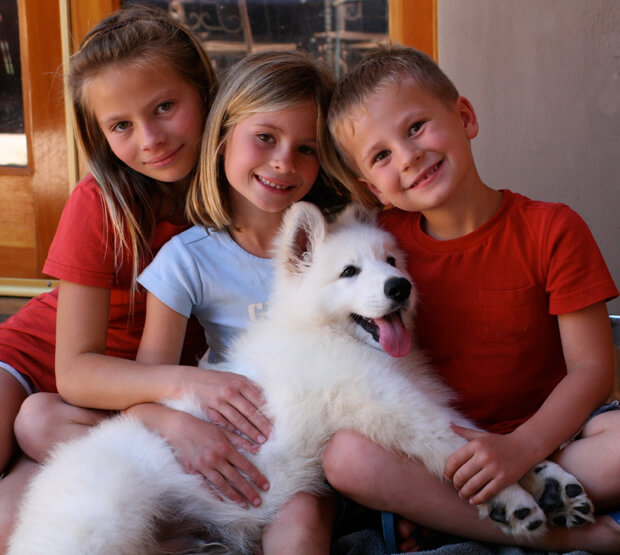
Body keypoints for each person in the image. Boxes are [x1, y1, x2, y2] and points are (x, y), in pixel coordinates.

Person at [321, 44, 620, 553]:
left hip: (556, 434)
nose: (409, 155)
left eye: (415, 128)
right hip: (443, 452)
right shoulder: (381, 248)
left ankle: (451, 516)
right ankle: (559, 535)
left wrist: (521, 448)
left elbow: (592, 369)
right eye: (382, 155)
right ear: (373, 187)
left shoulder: (552, 228)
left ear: (464, 116)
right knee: (346, 459)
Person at [0, 4, 216, 549]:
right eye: (121, 125)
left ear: (205, 91)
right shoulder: (101, 202)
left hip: (109, 404)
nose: (150, 138)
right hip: (37, 360)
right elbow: (73, 370)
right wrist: (187, 382)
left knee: (13, 527)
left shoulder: (243, 187)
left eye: (165, 106)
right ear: (98, 133)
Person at [135, 49, 349, 554]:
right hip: (223, 442)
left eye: (307, 149)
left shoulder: (339, 245)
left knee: (300, 528)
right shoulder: (188, 258)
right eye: (266, 138)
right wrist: (180, 425)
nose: (283, 162)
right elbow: (144, 388)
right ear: (224, 134)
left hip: (306, 450)